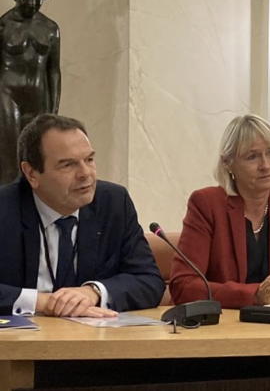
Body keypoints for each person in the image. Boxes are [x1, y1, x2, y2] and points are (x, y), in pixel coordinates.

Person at [0, 114, 165, 316]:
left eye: (89, 159)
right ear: (32, 173)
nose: (85, 173)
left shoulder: (113, 203)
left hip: (94, 340)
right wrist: (42, 302)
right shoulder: (5, 208)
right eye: (68, 165)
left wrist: (93, 292)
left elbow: (149, 280)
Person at [170, 114, 270, 309]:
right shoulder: (207, 204)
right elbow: (184, 286)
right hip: (217, 326)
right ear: (227, 163)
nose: (266, 165)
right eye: (253, 157)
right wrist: (255, 295)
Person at [0, 0, 61, 185]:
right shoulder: (4, 26)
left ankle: (32, 205)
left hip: (38, 95)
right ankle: (7, 207)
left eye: (38, 0)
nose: (33, 4)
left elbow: (53, 70)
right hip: (7, 94)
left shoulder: (51, 28)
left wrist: (53, 108)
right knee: (9, 156)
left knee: (36, 154)